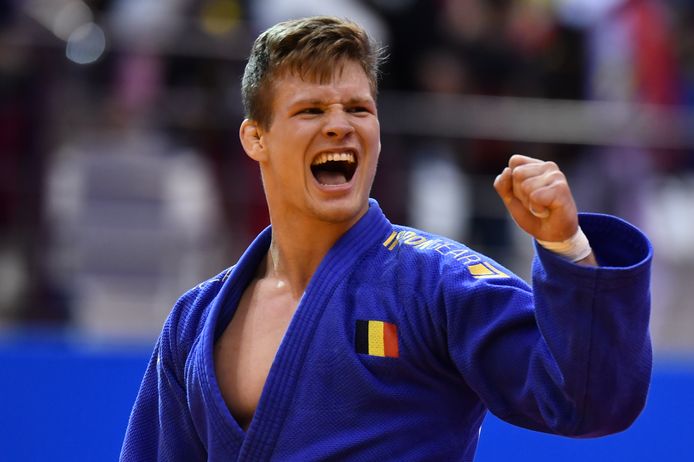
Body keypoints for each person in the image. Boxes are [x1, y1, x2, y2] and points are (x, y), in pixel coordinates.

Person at [120, 16, 652, 462]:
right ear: (256, 138)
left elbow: (591, 401)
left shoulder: (439, 285)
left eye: (358, 109)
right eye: (311, 110)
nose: (340, 125)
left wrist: (567, 246)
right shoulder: (196, 320)